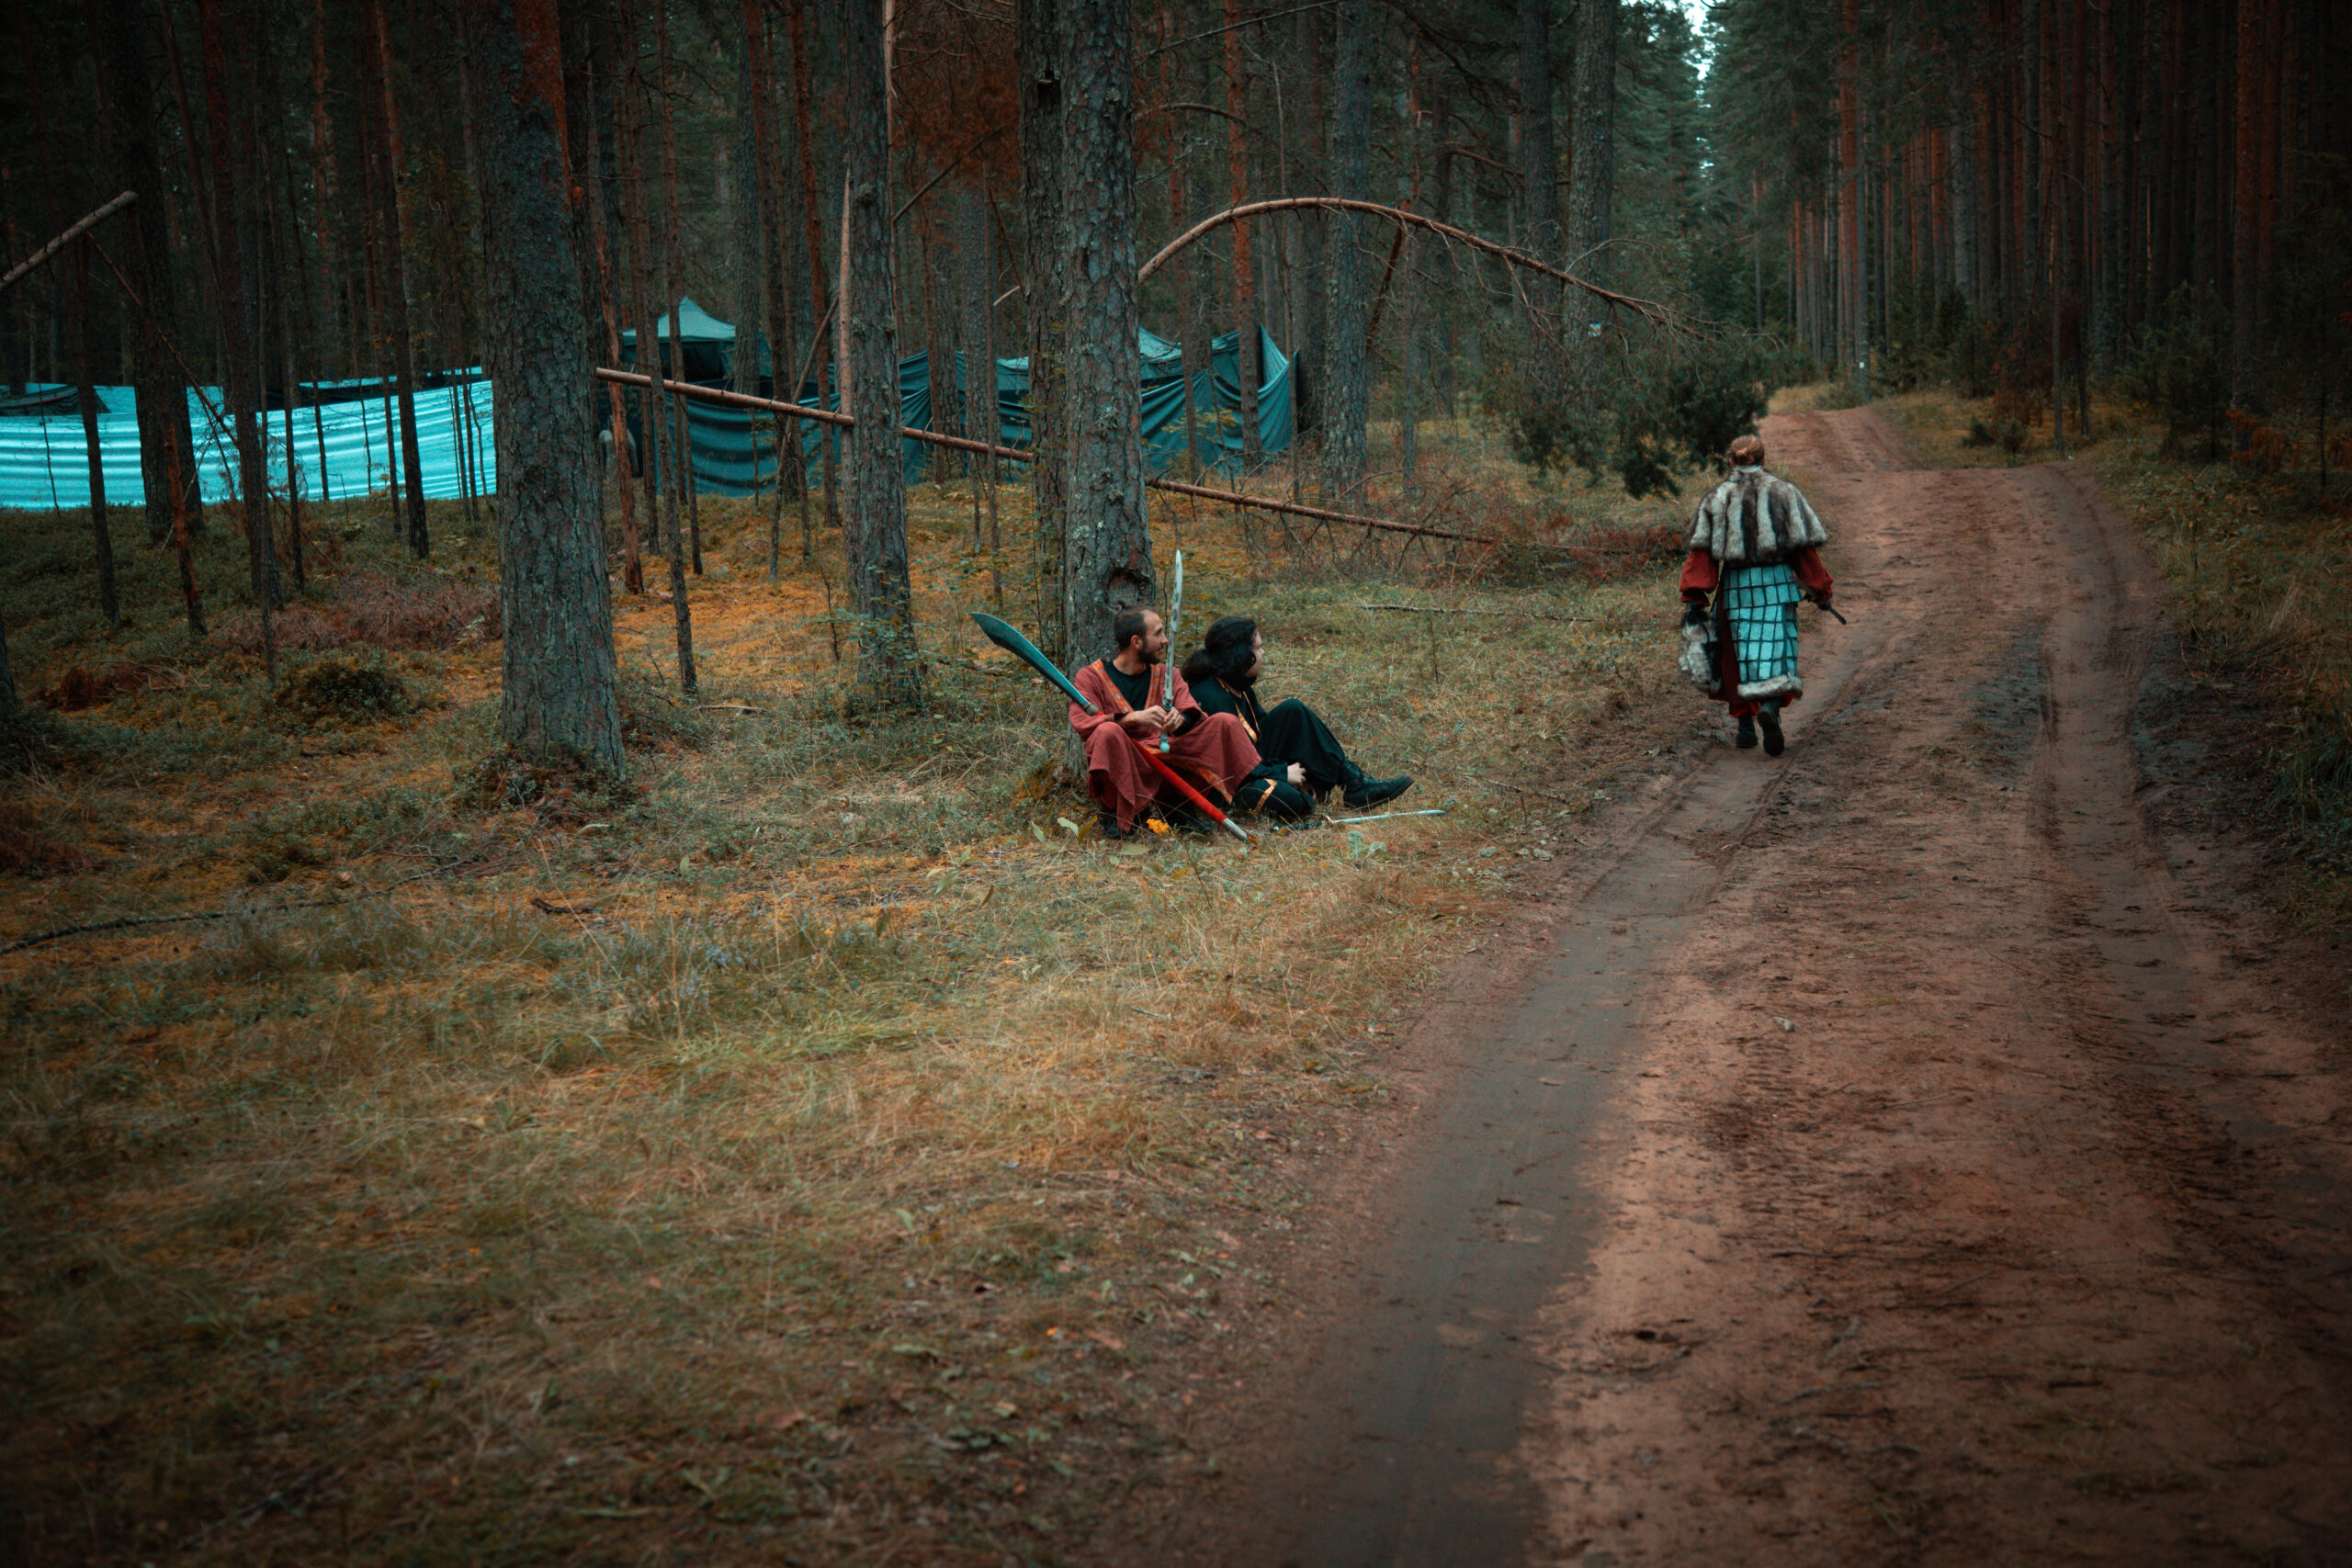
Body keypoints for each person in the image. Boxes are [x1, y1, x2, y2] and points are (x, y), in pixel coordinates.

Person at [1679, 434, 1835, 757]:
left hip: (1736, 588)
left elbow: (1701, 556)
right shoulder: (1785, 493)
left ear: (1731, 462)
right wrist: (1820, 591)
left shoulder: (1717, 498)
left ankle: (1745, 728)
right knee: (1775, 652)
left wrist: (1694, 597)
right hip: (1777, 586)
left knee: (1736, 657)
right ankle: (1771, 708)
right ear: (1765, 460)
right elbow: (1803, 553)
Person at [1180, 615, 1412, 820]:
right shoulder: (1209, 695)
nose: (1263, 653)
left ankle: (1354, 783)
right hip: (1229, 782)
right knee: (1287, 798)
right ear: (1239, 655)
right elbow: (1233, 765)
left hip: (1252, 763)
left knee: (1293, 710)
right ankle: (1302, 788)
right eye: (1258, 648)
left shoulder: (1237, 684)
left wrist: (1290, 767)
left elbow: (1262, 733)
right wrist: (1283, 773)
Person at [1070, 606, 1262, 837]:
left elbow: (1192, 715)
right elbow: (1083, 723)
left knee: (1224, 722)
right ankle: (1120, 813)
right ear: (1136, 642)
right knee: (1107, 733)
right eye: (1158, 634)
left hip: (1168, 754)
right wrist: (1132, 718)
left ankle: (1181, 806)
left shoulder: (1166, 674)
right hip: (1126, 758)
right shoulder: (1089, 677)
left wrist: (1178, 721)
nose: (1165, 640)